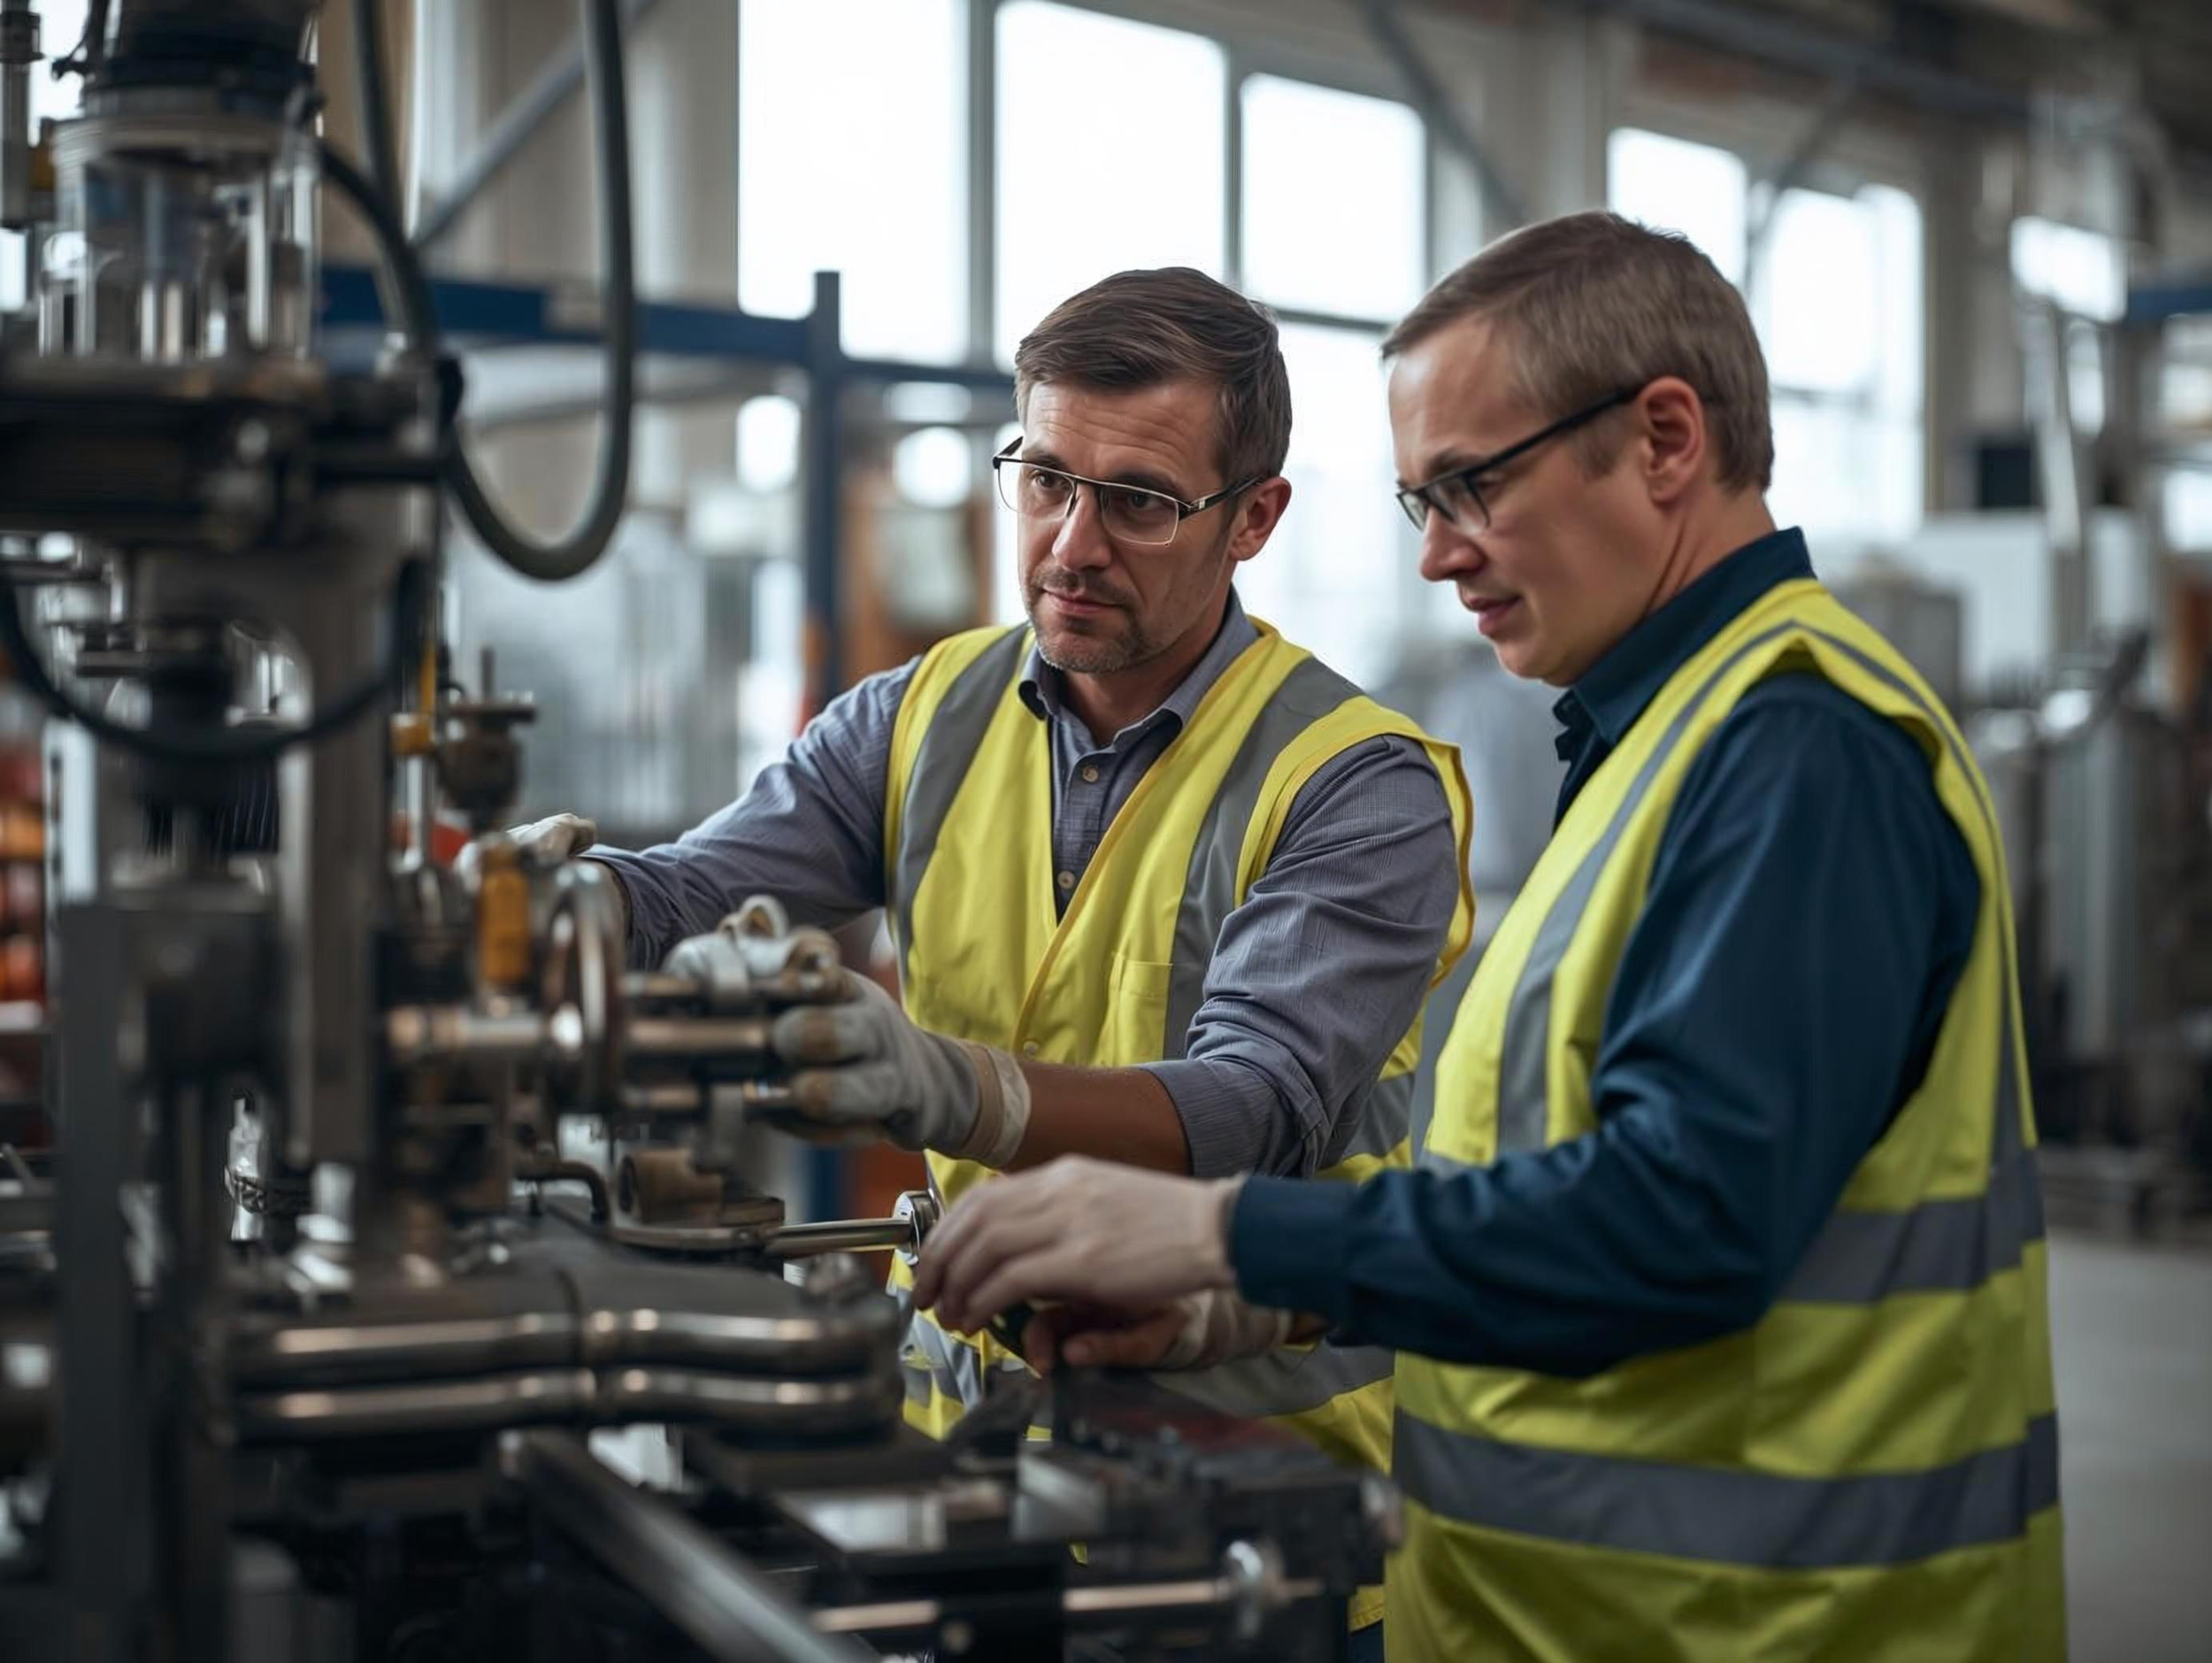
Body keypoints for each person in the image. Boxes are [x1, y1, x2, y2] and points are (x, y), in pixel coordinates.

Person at [912, 212, 2065, 1662]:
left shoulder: (1799, 752)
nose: (1440, 558)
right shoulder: (1659, 742)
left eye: (1472, 485)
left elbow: (1682, 1217)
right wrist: (1253, 1305)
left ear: (1662, 439)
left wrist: (1228, 1227)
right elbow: (1546, 1190)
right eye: (1418, 503)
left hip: (1763, 1626)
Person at [511, 266, 1474, 1644]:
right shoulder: (921, 716)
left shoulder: (1354, 782)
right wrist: (571, 902)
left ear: (1253, 517)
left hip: (1264, 1529)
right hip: (967, 1497)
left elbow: (1256, 1106)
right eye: (1042, 477)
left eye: (1138, 501)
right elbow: (704, 888)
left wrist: (952, 1091)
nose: (1071, 543)